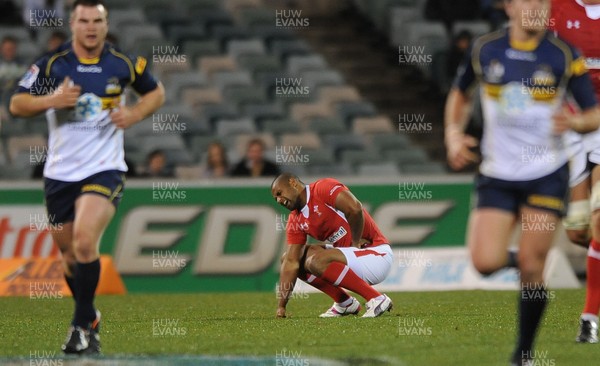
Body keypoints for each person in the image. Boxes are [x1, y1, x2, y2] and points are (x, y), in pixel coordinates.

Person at [444, 0, 599, 364]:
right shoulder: (486, 50)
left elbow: (592, 112)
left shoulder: (563, 55)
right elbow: (459, 93)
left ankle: (524, 353)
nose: (536, 10)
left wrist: (576, 123)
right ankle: (524, 256)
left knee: (533, 268)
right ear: (509, 7)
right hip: (498, 174)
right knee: (485, 262)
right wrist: (453, 133)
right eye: (527, 2)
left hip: (546, 173)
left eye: (542, 3)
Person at [9, 0, 165, 355]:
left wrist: (135, 113)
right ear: (73, 24)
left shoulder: (122, 63)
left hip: (105, 168)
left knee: (83, 241)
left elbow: (156, 92)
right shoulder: (52, 63)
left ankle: (80, 328)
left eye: (97, 20)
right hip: (60, 174)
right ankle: (90, 315)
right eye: (84, 21)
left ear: (106, 24)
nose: (91, 27)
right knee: (69, 257)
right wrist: (52, 99)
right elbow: (16, 104)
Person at [272, 173, 393, 318]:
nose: (278, 200)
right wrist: (281, 306)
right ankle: (345, 302)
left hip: (376, 254)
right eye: (275, 199)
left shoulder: (322, 188)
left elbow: (355, 208)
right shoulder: (295, 220)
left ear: (292, 182)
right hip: (351, 259)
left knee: (317, 260)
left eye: (279, 193)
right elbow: (291, 262)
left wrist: (354, 243)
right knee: (291, 257)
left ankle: (376, 299)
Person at [550, 0, 600, 343]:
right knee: (579, 231)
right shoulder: (555, 7)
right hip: (571, 128)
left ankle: (589, 318)